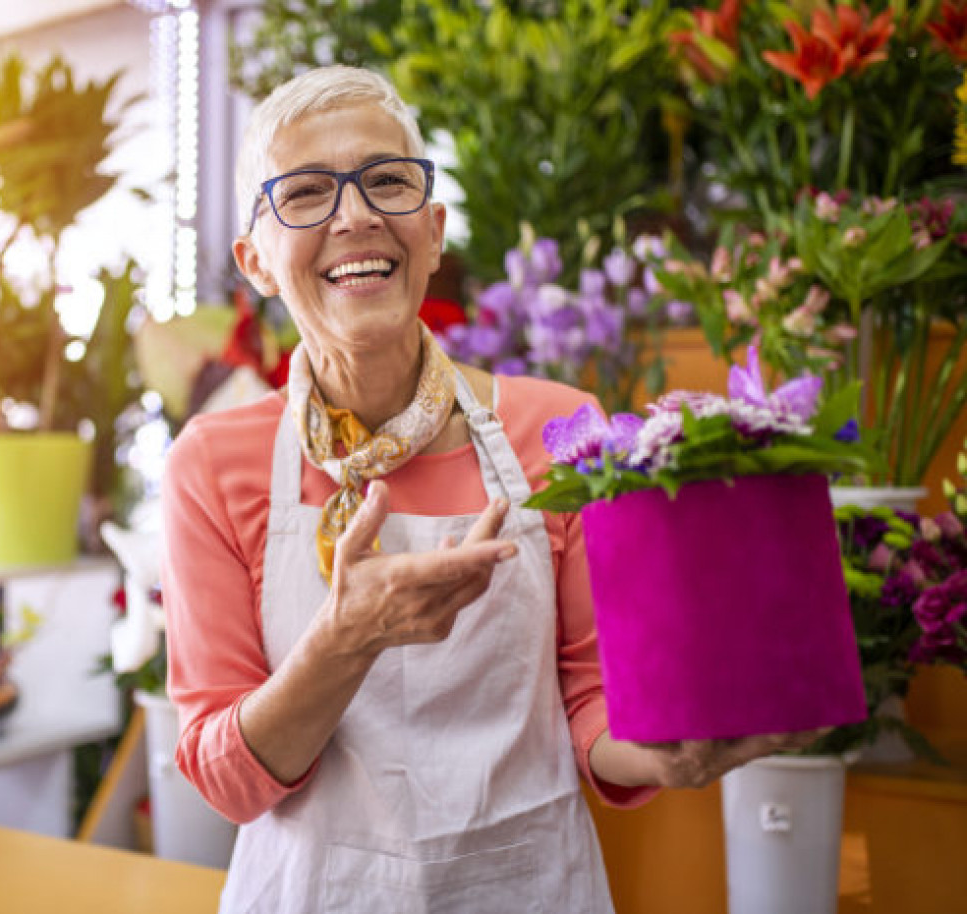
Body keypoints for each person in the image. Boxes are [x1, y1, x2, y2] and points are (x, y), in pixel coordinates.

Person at [161, 66, 815, 913]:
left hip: (532, 887)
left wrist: (664, 755)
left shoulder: (562, 429)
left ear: (432, 233)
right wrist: (346, 640)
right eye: (307, 192)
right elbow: (225, 778)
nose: (355, 215)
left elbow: (590, 700)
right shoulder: (212, 464)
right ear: (256, 261)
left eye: (386, 181)